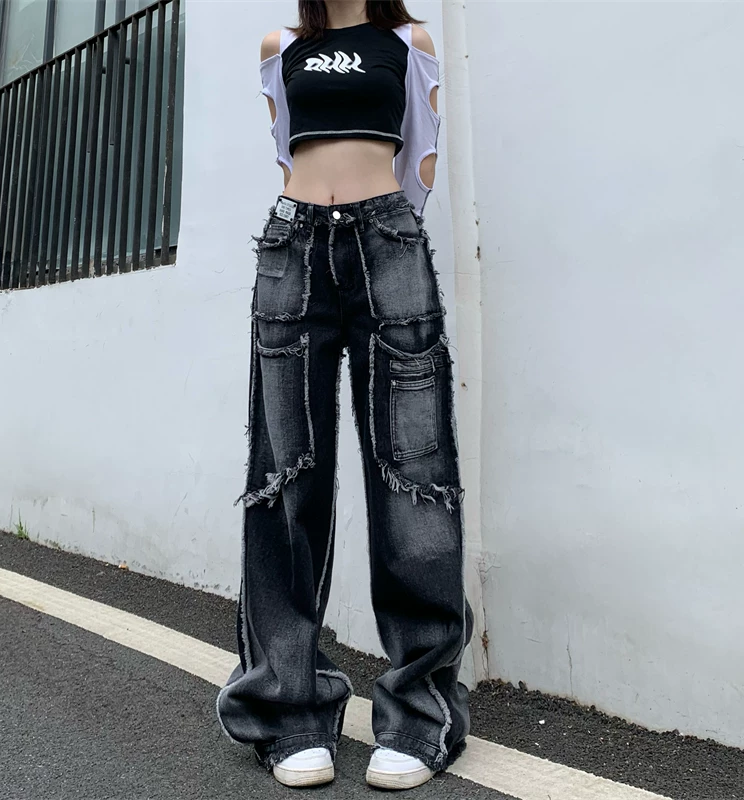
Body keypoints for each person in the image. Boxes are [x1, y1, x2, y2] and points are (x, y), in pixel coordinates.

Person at [216, 0, 474, 790]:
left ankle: (420, 711)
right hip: (293, 245)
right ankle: (287, 710)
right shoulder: (280, 45)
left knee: (412, 471)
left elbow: (421, 156)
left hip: (388, 242)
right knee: (285, 475)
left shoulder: (409, 40)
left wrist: (383, 232)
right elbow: (284, 148)